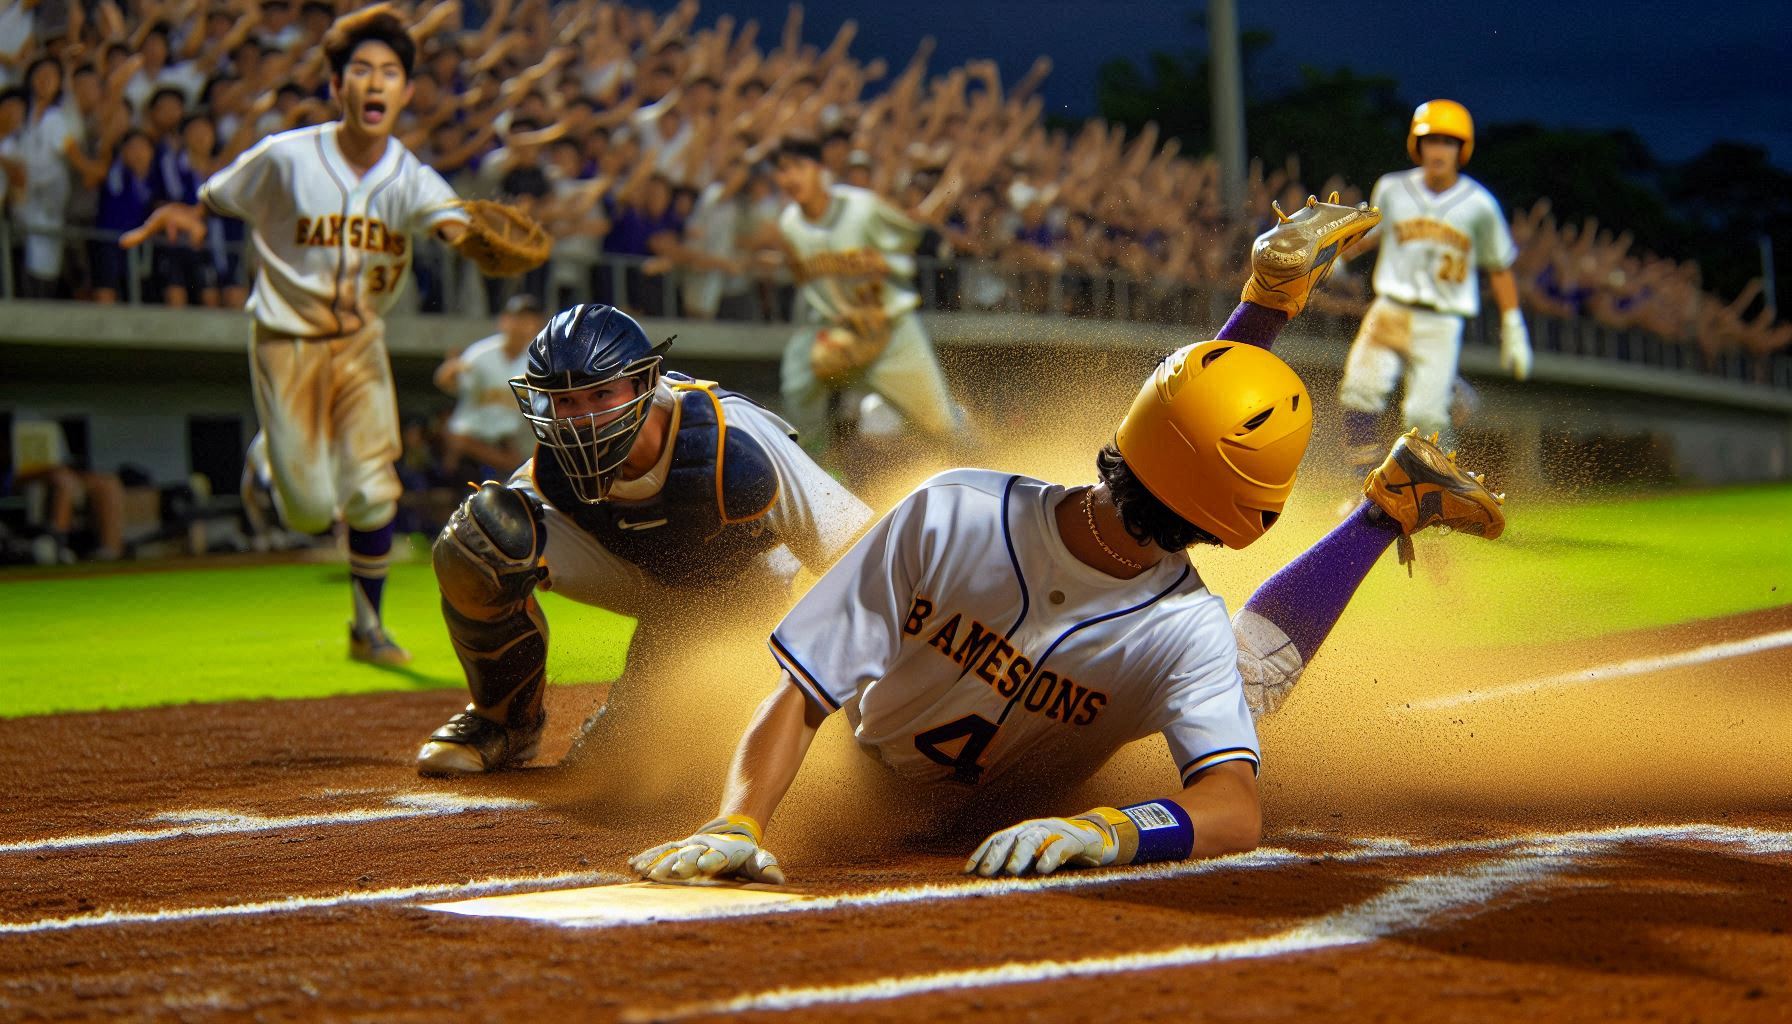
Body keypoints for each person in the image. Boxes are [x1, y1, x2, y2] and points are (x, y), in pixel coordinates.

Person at [629, 197, 1503, 885]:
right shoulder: (1185, 630)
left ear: (1126, 433)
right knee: (1245, 675)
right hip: (951, 776)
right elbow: (1231, 810)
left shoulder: (948, 510)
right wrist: (1118, 830)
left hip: (904, 750)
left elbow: (800, 696)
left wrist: (739, 819)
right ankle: (1384, 509)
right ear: (1246, 525)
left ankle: (1271, 311)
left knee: (1189, 440)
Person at [120, 5, 498, 666]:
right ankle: (269, 457)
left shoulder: (407, 173)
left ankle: (367, 628)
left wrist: (485, 239)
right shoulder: (287, 157)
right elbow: (216, 195)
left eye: (389, 72)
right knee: (306, 509)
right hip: (286, 338)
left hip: (359, 344)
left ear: (406, 91)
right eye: (361, 70)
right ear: (337, 85)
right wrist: (184, 213)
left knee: (375, 487)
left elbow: (452, 221)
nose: (375, 82)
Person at [416, 303, 875, 775]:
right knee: (480, 541)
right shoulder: (553, 463)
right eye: (566, 401)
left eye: (600, 394)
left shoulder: (730, 438)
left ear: (643, 383)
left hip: (751, 604)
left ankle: (648, 707)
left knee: (642, 761)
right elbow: (498, 535)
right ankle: (503, 724)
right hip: (646, 578)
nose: (584, 418)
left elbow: (863, 556)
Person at [1334, 99, 1532, 478]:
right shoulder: (1392, 189)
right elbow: (1369, 236)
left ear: (1462, 149)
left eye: (1448, 141)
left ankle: (1439, 494)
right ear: (1417, 145)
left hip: (1440, 321)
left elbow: (1500, 267)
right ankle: (1364, 494)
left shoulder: (1479, 204)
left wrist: (1513, 325)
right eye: (1432, 140)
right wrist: (1338, 259)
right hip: (1389, 309)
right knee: (1358, 392)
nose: (1439, 149)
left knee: (1424, 417)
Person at [769, 137, 966, 454]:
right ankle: (806, 475)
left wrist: (949, 186)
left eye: (799, 167)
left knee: (942, 426)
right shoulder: (790, 224)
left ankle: (994, 475)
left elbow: (912, 229)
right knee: (797, 387)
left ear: (819, 170)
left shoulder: (861, 207)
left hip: (891, 330)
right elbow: (806, 276)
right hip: (838, 329)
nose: (790, 178)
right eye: (782, 170)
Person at [434, 293, 544, 478]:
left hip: (507, 442)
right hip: (472, 442)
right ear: (504, 321)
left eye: (529, 319)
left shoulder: (536, 362)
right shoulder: (481, 354)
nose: (523, 324)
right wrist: (449, 374)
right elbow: (450, 384)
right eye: (518, 318)